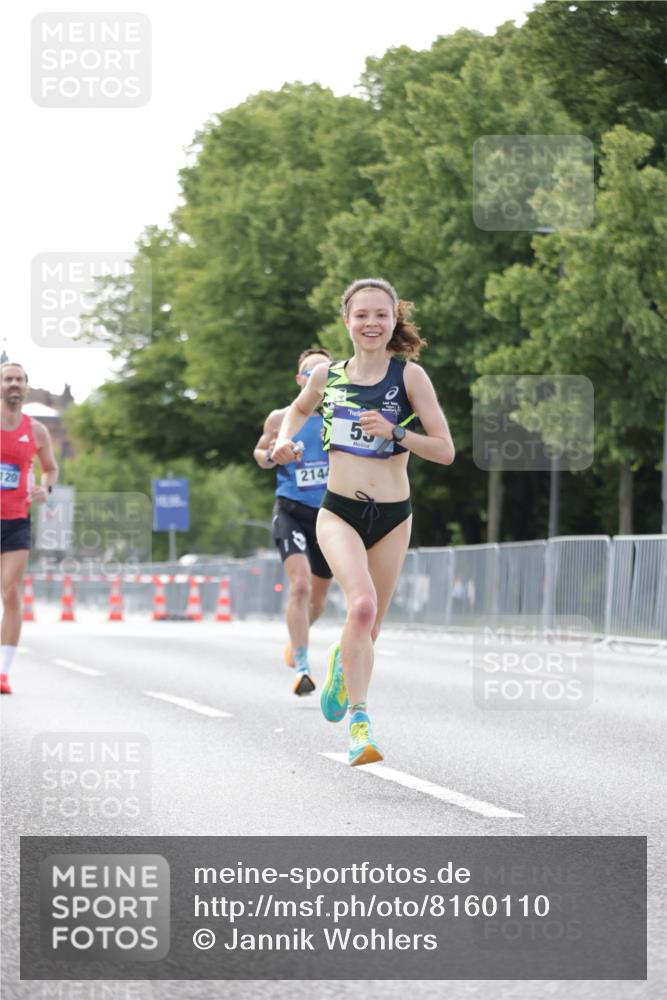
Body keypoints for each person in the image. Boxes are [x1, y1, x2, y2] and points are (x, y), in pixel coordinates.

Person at [272, 279, 454, 764]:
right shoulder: (326, 376)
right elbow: (295, 411)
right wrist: (282, 443)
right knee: (362, 608)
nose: (371, 323)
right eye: (362, 315)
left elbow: (445, 450)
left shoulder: (410, 378)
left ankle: (339, 665)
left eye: (381, 315)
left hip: (394, 516)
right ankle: (360, 724)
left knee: (368, 631)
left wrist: (396, 431)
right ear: (347, 321)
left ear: (394, 321)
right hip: (339, 510)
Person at [253, 348, 333, 696]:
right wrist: (271, 453)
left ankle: (294, 641)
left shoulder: (341, 417)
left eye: (323, 369)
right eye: (308, 370)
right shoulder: (281, 417)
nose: (315, 374)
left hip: (330, 517)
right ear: (300, 379)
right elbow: (260, 454)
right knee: (299, 586)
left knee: (317, 602)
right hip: (292, 510)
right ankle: (302, 666)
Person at [1, 362, 59, 694]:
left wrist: (45, 488)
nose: (13, 384)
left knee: (10, 592)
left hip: (16, 521)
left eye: (19, 380)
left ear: (26, 387)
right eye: (8, 379)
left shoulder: (36, 430)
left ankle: (3, 673)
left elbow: (51, 469)